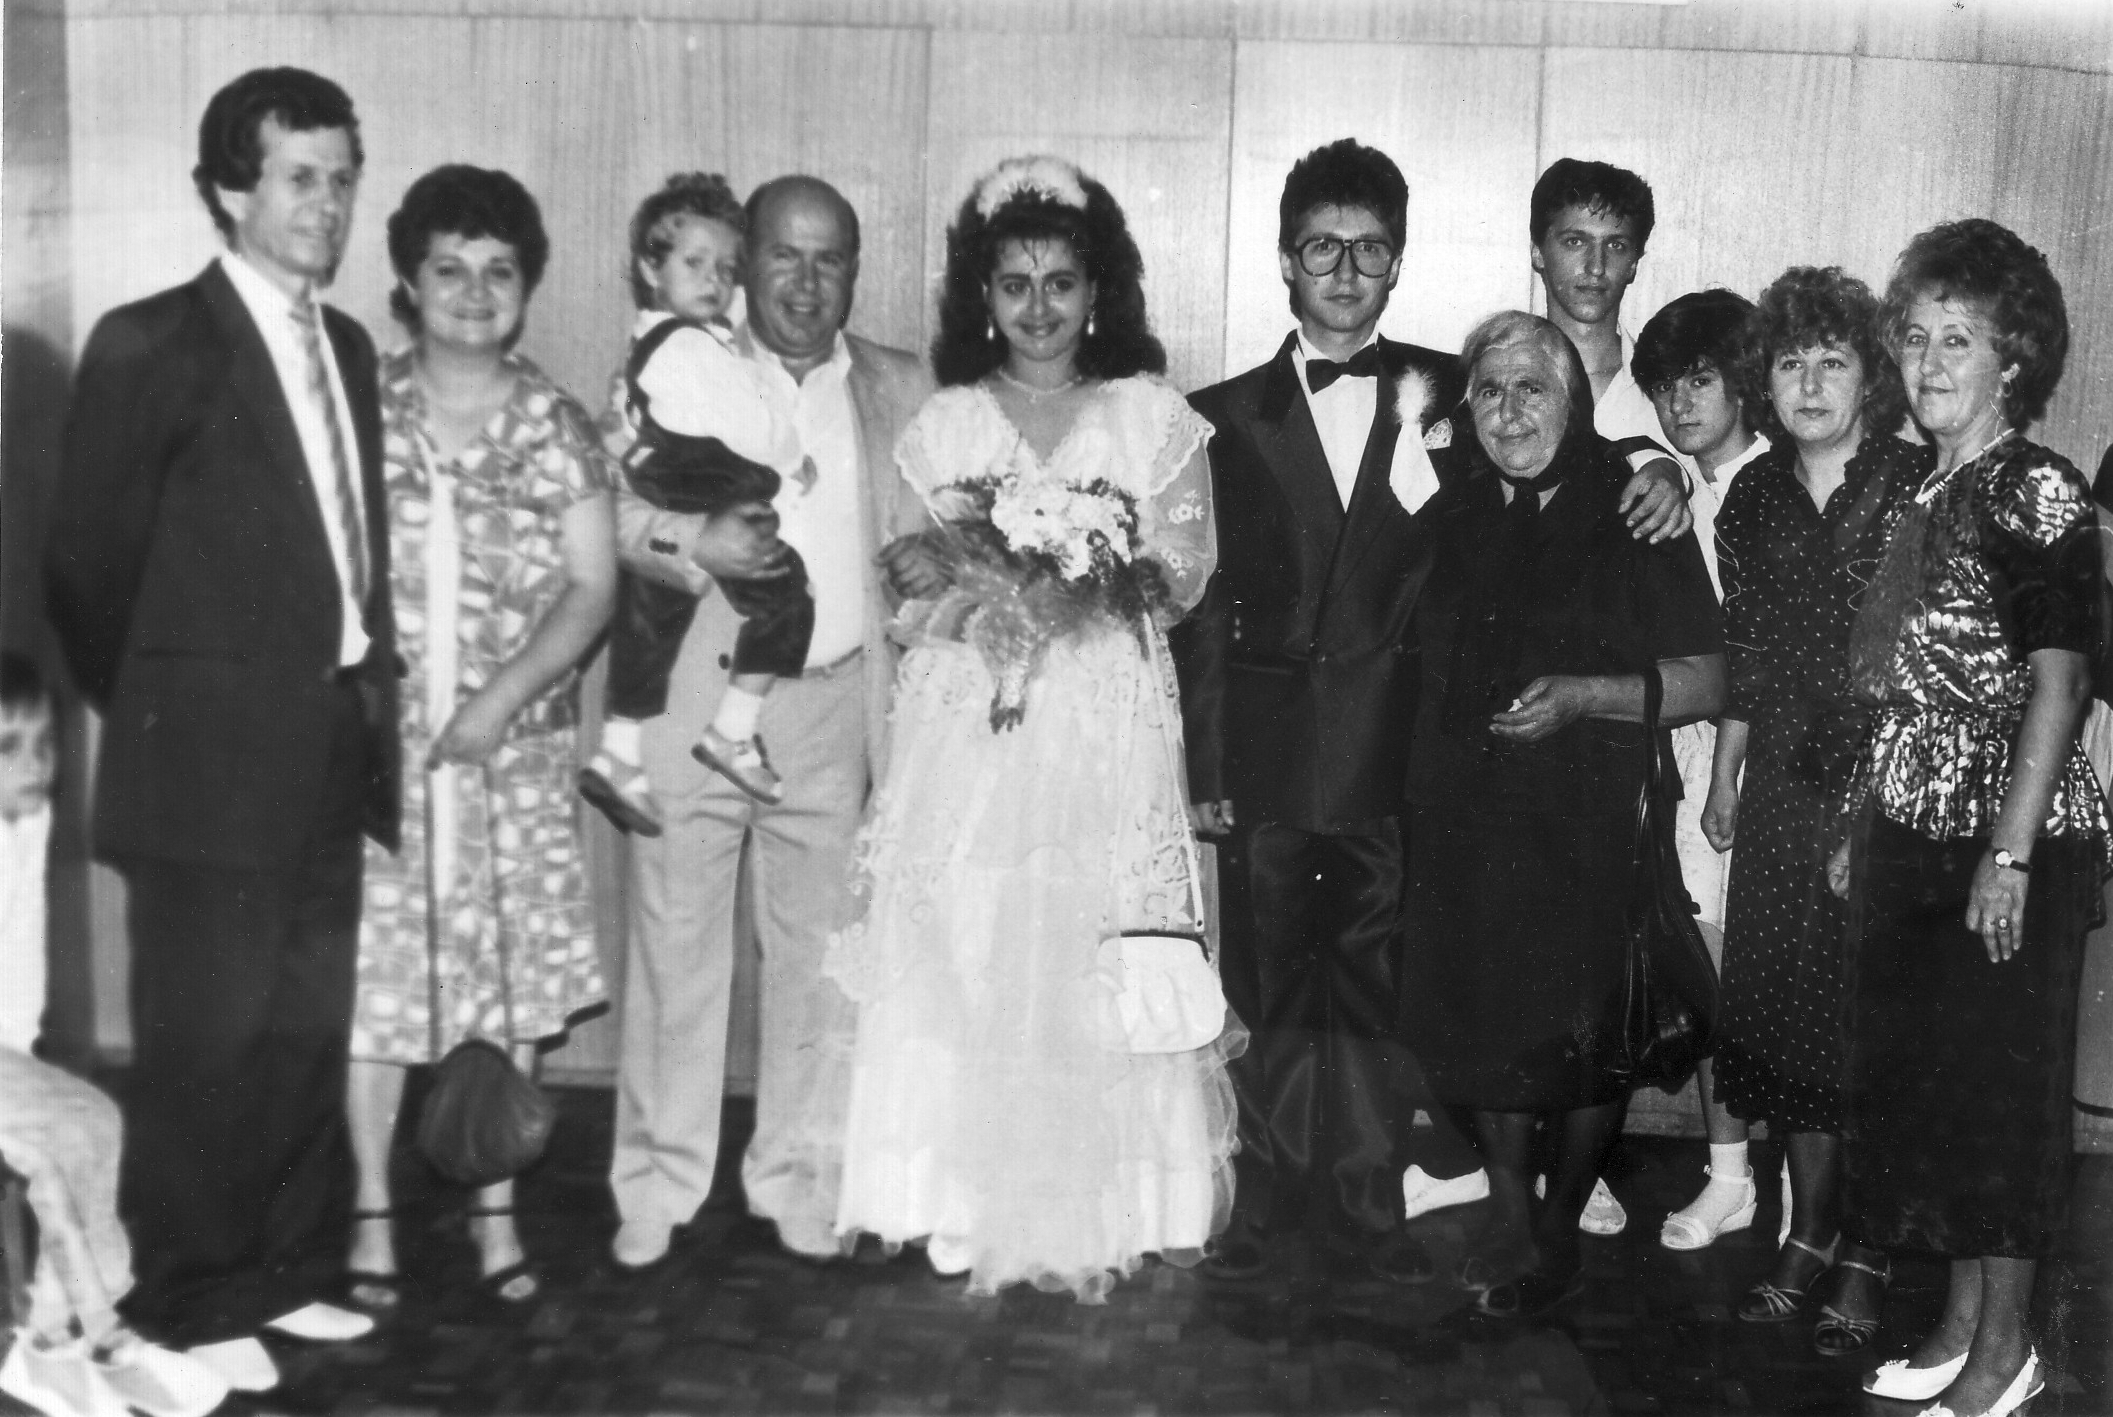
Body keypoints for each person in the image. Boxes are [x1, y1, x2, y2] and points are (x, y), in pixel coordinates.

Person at [1174, 139, 1691, 1284]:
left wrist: (1663, 464)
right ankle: (1269, 1201)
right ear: (1284, 260)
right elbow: (1202, 610)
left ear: (1399, 262)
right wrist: (1202, 764)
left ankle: (1367, 1200)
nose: (1345, 272)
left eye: (1369, 250)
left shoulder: (1447, 390)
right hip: (1266, 758)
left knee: (1374, 993)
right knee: (1265, 986)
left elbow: (1562, 428)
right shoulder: (1215, 415)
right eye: (1322, 248)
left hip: (1394, 755)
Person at [827, 154, 1235, 1303]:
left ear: (1097, 291)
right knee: (973, 934)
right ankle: (956, 1197)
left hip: (1103, 717)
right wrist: (993, 593)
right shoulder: (947, 425)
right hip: (977, 719)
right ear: (983, 295)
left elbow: (1185, 571)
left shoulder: (1147, 414)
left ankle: (1109, 1202)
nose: (1039, 306)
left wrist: (1081, 582)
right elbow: (909, 581)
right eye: (1015, 284)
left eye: (1061, 282)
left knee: (1092, 936)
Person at [45, 66, 397, 1393]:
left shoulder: (344, 344)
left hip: (329, 747)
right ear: (227, 190)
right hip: (202, 764)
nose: (328, 204)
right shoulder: (151, 343)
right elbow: (87, 572)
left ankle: (289, 1270)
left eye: (342, 178)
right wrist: (178, 707)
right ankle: (194, 1299)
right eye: (301, 177)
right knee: (205, 1045)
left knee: (302, 1029)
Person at [605, 174, 933, 1270]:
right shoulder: (685, 351)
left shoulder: (901, 385)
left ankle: (798, 1175)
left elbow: (941, 530)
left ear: (854, 271)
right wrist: (688, 542)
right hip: (696, 695)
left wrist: (931, 565)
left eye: (828, 258)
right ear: (744, 262)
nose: (804, 280)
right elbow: (610, 507)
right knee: (675, 951)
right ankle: (657, 1184)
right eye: (783, 255)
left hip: (835, 704)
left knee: (817, 960)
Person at [1399, 312, 1725, 1319]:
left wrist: (1587, 696)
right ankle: (1509, 1209)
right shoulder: (1449, 508)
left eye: (1531, 389)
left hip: (1588, 819)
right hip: (1463, 814)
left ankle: (1556, 1226)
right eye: (1490, 391)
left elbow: (1709, 678)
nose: (1508, 412)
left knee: (1588, 1035)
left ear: (1572, 401)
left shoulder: (1634, 506)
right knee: (1480, 1020)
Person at [1830, 219, 2103, 1417]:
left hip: (2009, 832)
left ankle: (2009, 1354)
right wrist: (1862, 823)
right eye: (1915, 337)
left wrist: (2010, 851)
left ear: (2012, 361)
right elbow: (1900, 683)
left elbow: (2061, 680)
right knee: (1939, 1098)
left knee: (2000, 1106)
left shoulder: (2035, 485)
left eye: (1960, 340)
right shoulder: (1925, 486)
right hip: (1915, 823)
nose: (1929, 361)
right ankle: (1956, 1329)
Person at [342, 165, 615, 1313]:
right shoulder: (357, 406)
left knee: (509, 984)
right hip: (381, 756)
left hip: (512, 752)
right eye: (448, 267)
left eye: (498, 270)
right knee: (375, 987)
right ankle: (369, 1212)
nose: (473, 290)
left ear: (525, 285)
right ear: (409, 280)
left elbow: (591, 588)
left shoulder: (555, 423)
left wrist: (499, 700)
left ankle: (495, 1207)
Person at [1691, 269, 1919, 1354]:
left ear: (1871, 376)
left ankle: (1866, 1246)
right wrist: (1724, 774)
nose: (1811, 382)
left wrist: (1873, 802)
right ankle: (1811, 1230)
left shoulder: (1914, 482)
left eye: (1833, 360)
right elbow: (1743, 648)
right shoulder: (1750, 497)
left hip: (1891, 778)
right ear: (1764, 382)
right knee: (1784, 1015)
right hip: (1781, 781)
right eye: (1790, 362)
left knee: (1865, 1022)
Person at [1525, 156, 1693, 1237]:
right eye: (1572, 241)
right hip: (1503, 715)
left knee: (1599, 960)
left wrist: (1674, 472)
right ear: (1538, 250)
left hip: (1612, 719)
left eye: (1613, 245)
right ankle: (1505, 1153)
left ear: (1636, 260)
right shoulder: (1493, 374)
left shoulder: (1663, 405)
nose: (1592, 265)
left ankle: (1574, 1167)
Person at [0, 653, 230, 1417]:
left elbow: (20, 951)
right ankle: (91, 1333)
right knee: (72, 1130)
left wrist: (19, 1056)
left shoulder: (26, 820)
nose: (36, 764)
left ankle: (56, 1337)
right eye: (8, 748)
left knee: (84, 1124)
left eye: (44, 745)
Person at [582, 172, 816, 824]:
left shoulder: (660, 341)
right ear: (648, 268)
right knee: (787, 596)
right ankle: (732, 729)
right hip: (703, 488)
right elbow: (755, 429)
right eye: (694, 263)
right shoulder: (690, 348)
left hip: (668, 488)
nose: (714, 281)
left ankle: (617, 751)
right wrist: (792, 457)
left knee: (650, 619)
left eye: (726, 269)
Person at [1630, 290, 1774, 1257]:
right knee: (1700, 960)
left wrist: (1726, 775)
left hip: (1758, 755)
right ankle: (1728, 1175)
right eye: (1664, 387)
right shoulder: (1674, 484)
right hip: (1686, 751)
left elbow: (1758, 657)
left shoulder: (1772, 484)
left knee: (1746, 970)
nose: (1678, 403)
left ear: (1741, 384)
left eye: (1698, 381)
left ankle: (1753, 1179)